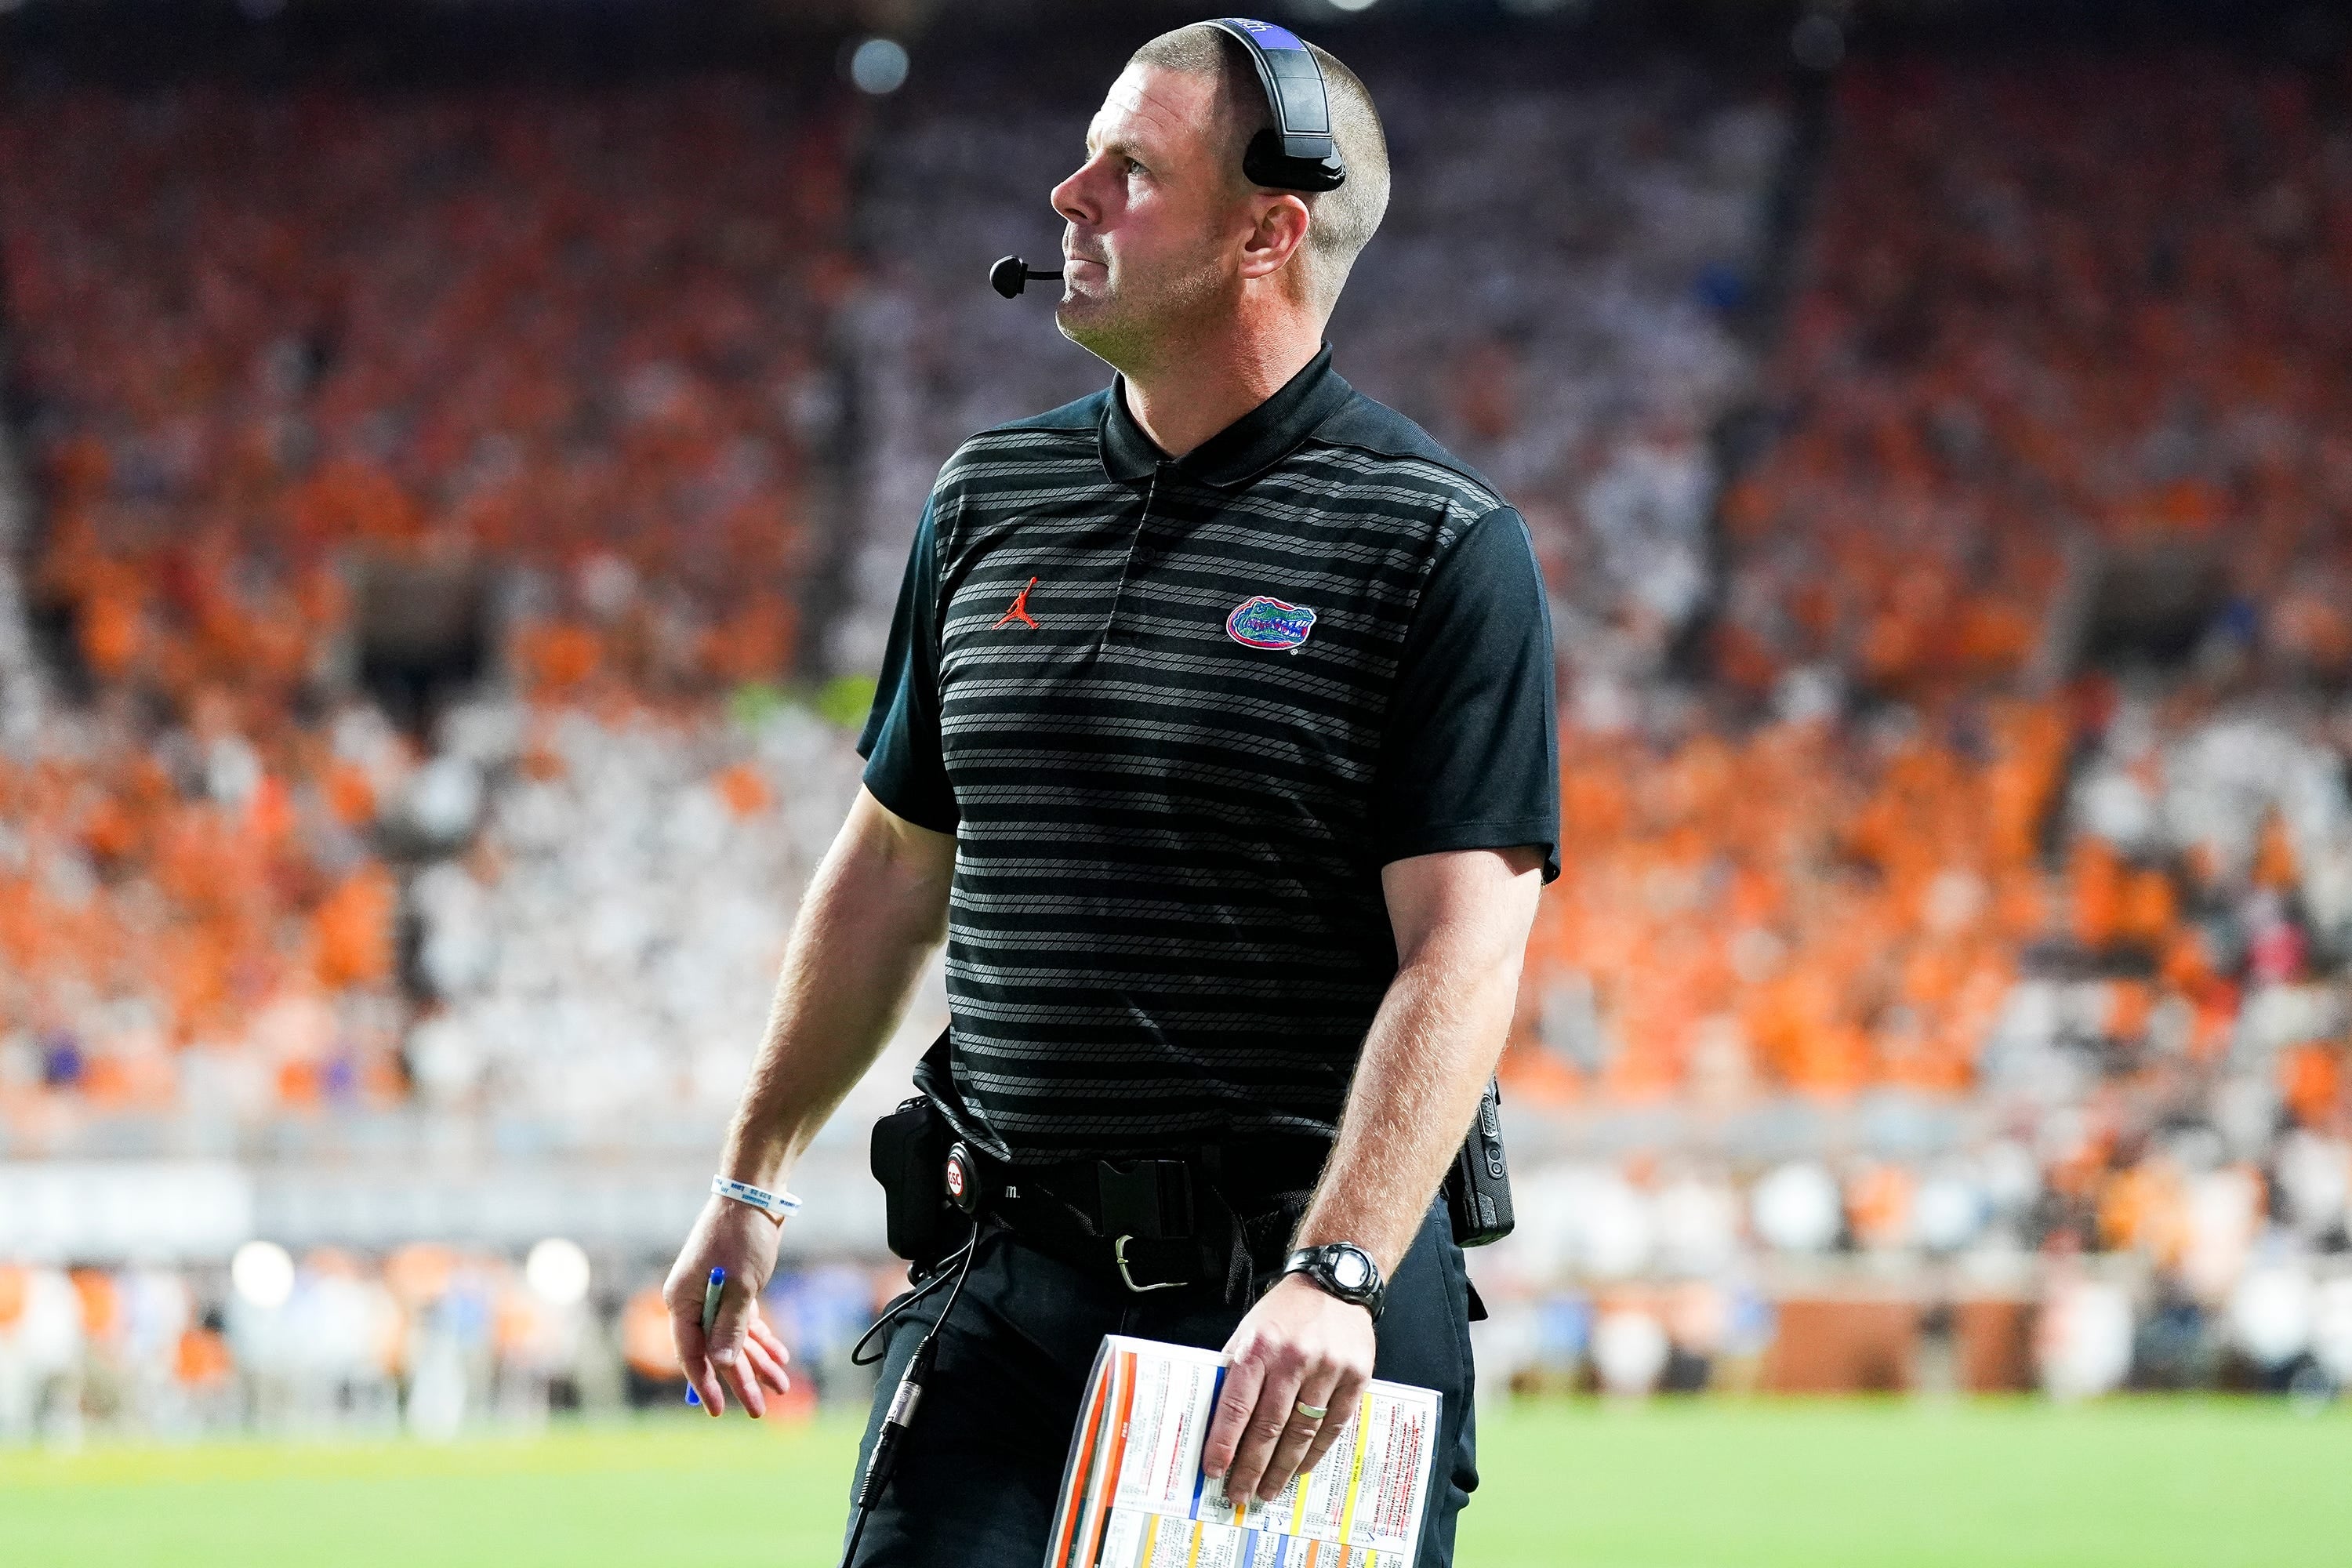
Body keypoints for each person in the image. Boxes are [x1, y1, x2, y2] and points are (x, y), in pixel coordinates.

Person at [662, 20, 1558, 1565]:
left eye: (1129, 170)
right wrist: (753, 1174)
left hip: (1293, 1311)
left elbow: (1463, 949)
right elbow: (887, 867)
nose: (1067, 193)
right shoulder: (983, 498)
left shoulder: (1436, 545)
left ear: (1270, 229)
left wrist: (1339, 1273)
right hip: (1008, 1280)